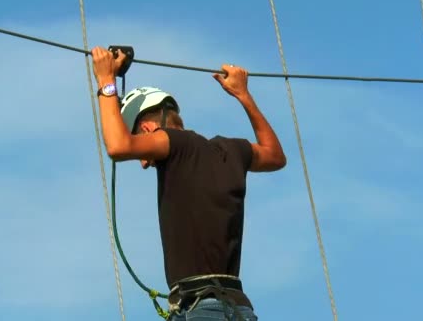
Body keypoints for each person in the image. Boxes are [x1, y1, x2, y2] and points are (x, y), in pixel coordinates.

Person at [91, 46, 286, 320]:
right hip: (239, 309)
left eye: (142, 149)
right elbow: (276, 156)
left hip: (201, 310)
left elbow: (118, 145)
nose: (143, 161)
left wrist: (105, 81)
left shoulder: (171, 142)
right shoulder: (232, 150)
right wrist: (244, 95)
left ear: (149, 129)